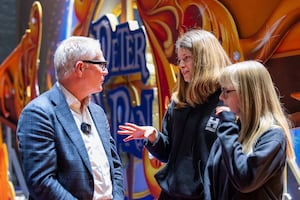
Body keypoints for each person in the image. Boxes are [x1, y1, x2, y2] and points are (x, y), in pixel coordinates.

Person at [118, 29, 232, 199]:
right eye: (179, 59)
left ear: (205, 59)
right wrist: (154, 137)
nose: (181, 65)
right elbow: (167, 153)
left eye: (187, 58)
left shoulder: (228, 100)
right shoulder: (178, 103)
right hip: (171, 193)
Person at [17, 36, 124, 199]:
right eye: (101, 65)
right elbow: (42, 182)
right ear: (80, 68)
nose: (106, 71)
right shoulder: (38, 113)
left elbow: (115, 167)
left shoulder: (97, 113)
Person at [204, 60, 296, 200]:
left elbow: (245, 179)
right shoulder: (231, 131)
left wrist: (228, 126)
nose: (221, 97)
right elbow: (209, 183)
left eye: (226, 91)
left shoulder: (273, 136)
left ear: (248, 94)